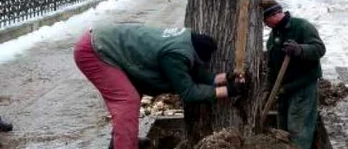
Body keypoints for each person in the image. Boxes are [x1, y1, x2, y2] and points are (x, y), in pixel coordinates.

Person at [74, 25, 247, 149]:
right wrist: (229, 91)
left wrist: (227, 77)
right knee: (127, 100)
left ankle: (124, 142)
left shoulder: (186, 41)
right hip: (94, 50)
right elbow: (189, 92)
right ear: (195, 56)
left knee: (132, 93)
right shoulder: (174, 55)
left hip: (104, 43)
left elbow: (198, 74)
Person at [261, 0, 326, 149]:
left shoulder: (302, 27)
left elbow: (319, 49)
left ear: (275, 15)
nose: (265, 24)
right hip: (284, 89)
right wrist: (267, 89)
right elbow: (272, 67)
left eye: (265, 20)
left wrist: (300, 50)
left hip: (302, 86)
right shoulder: (273, 37)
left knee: (298, 129)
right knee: (283, 129)